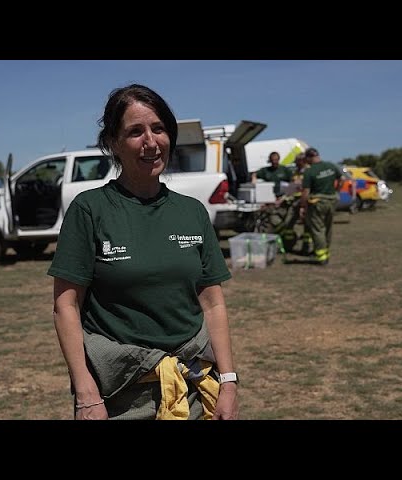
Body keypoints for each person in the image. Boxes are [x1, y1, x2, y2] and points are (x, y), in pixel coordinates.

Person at [47, 83, 239, 420]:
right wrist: (86, 393)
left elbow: (213, 303)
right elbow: (66, 306)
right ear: (113, 143)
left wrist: (228, 383)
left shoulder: (192, 212)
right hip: (121, 393)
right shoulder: (90, 209)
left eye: (159, 128)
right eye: (135, 132)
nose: (151, 142)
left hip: (193, 386)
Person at [299, 147, 343, 265]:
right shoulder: (331, 165)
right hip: (331, 200)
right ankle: (326, 251)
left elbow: (306, 192)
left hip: (318, 202)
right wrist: (337, 191)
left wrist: (303, 206)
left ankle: (322, 256)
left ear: (309, 157)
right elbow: (342, 178)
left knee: (318, 229)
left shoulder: (309, 171)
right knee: (328, 228)